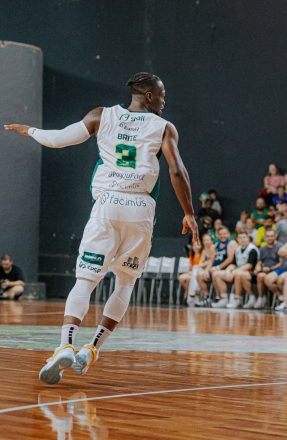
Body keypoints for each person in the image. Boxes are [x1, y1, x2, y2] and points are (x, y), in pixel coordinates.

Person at [4, 72, 199, 384]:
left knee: (85, 280)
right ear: (149, 96)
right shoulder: (163, 127)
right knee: (125, 283)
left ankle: (65, 345)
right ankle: (92, 349)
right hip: (141, 209)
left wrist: (29, 130)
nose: (164, 101)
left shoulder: (101, 115)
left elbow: (59, 139)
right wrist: (189, 213)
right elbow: (177, 171)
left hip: (107, 205)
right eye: (162, 95)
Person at [226, 232, 260, 309]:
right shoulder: (237, 249)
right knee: (218, 274)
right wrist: (228, 270)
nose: (242, 239)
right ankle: (222, 298)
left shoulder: (252, 249)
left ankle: (238, 299)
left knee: (238, 274)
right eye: (240, 238)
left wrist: (236, 271)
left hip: (252, 272)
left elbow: (250, 265)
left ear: (248, 238)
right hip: (240, 270)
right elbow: (234, 264)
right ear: (237, 239)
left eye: (244, 237)